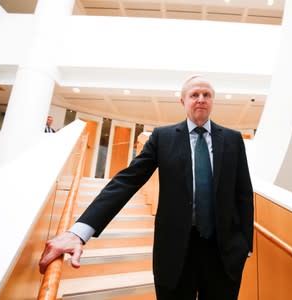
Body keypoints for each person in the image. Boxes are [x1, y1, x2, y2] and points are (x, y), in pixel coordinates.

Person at [39, 75, 253, 300]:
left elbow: (244, 194)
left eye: (206, 95)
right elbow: (126, 181)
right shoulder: (163, 137)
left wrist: (245, 245)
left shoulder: (232, 139)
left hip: (223, 254)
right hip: (174, 252)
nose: (201, 99)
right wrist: (79, 233)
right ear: (183, 101)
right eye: (194, 95)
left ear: (212, 101)